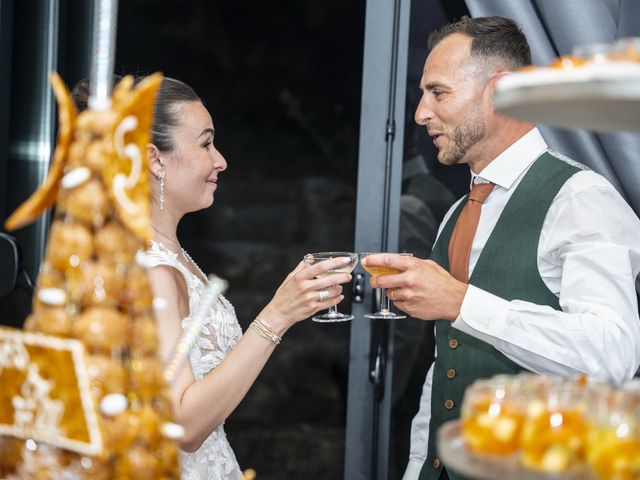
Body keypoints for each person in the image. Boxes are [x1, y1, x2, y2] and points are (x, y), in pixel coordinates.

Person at [361, 16, 640, 480]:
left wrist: (460, 301)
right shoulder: (457, 214)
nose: (420, 113)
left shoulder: (580, 198)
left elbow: (612, 355)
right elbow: (446, 364)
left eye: (438, 93)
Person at [73, 77, 353, 479]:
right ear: (155, 160)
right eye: (206, 144)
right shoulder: (152, 271)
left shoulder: (171, 255)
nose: (220, 160)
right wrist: (278, 314)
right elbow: (183, 423)